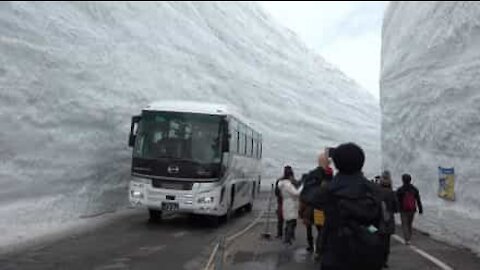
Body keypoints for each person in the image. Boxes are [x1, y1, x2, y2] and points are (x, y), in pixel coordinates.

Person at [308, 143, 385, 270]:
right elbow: (376, 223)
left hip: (335, 254)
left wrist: (321, 168)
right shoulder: (374, 190)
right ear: (361, 161)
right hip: (368, 254)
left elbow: (308, 194)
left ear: (336, 163)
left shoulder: (328, 191)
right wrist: (370, 232)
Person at [299, 152, 333, 257]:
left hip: (310, 208)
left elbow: (303, 192)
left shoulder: (311, 175)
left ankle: (311, 246)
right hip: (320, 209)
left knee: (312, 228)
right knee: (321, 230)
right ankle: (319, 250)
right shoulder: (326, 175)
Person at [277, 166, 302, 245]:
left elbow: (277, 193)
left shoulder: (281, 183)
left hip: (285, 202)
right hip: (291, 203)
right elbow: (296, 193)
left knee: (287, 221)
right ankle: (288, 239)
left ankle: (285, 237)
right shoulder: (288, 184)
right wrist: (302, 187)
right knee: (291, 222)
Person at [378, 173, 398, 268]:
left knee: (376, 239)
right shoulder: (392, 193)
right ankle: (384, 260)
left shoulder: (376, 191)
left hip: (376, 221)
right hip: (389, 221)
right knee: (386, 241)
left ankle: (377, 258)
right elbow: (396, 208)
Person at [396, 173, 423, 245]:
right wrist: (420, 209)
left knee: (404, 224)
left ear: (403, 180)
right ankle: (409, 237)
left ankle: (407, 239)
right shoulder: (414, 189)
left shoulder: (400, 190)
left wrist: (396, 208)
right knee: (409, 224)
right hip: (412, 210)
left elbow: (397, 200)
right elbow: (418, 200)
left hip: (403, 210)